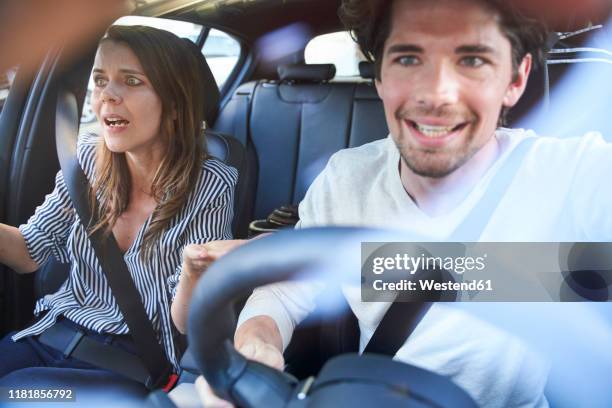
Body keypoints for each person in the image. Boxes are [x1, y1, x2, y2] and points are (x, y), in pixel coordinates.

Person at [188, 0, 612, 406]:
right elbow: (283, 293)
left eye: (473, 60)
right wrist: (255, 343)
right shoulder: (346, 177)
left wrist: (357, 261)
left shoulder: (574, 171)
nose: (436, 95)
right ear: (379, 76)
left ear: (515, 80)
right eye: (409, 58)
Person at [0, 25, 237, 390]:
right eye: (100, 80)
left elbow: (187, 321)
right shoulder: (86, 162)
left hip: (130, 362)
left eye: (131, 81)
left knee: (16, 392)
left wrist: (194, 270)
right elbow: (30, 251)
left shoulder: (209, 184)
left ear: (174, 103)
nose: (107, 95)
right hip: (50, 334)